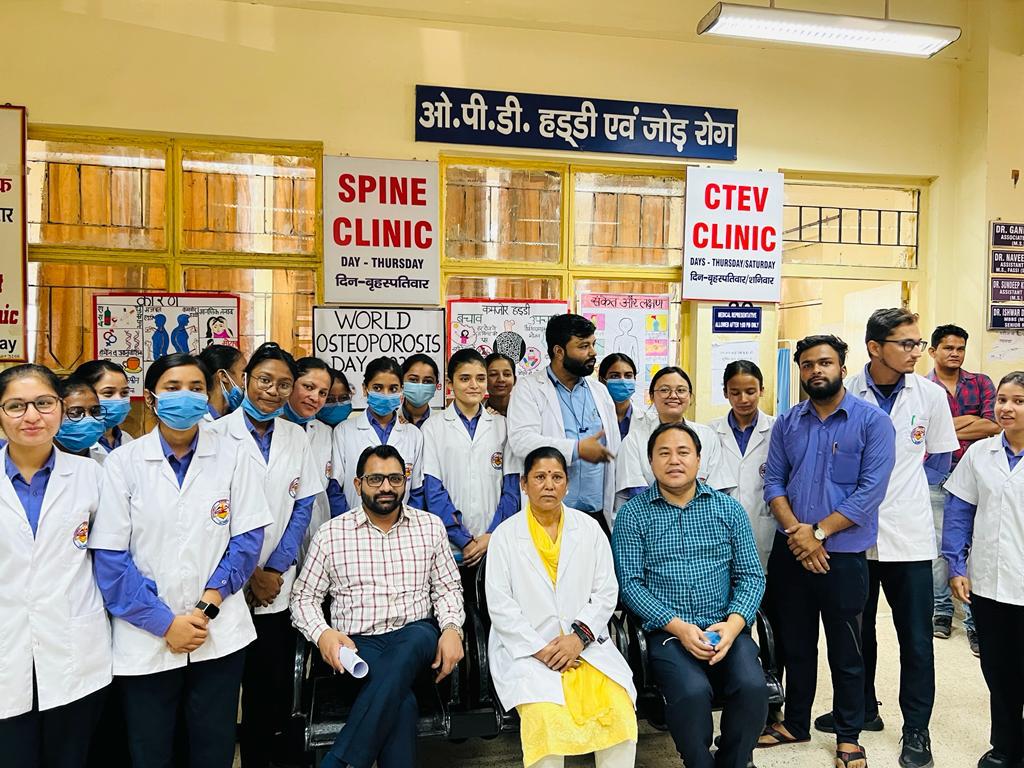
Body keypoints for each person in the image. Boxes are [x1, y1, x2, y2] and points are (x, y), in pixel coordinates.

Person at [89, 352, 271, 768]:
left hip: (218, 630)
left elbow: (247, 540)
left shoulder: (233, 455)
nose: (185, 396)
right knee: (151, 750)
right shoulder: (123, 464)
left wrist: (208, 604)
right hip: (145, 634)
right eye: (173, 388)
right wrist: (165, 623)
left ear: (208, 396)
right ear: (152, 398)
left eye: (195, 388)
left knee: (212, 747)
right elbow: (112, 560)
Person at [812, 309, 957, 768]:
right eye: (906, 344)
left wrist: (900, 493)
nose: (916, 352)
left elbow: (939, 460)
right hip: (854, 534)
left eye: (918, 343)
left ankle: (916, 729)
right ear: (875, 348)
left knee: (916, 638)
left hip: (908, 534)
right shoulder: (845, 391)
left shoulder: (930, 396)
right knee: (857, 631)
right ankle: (861, 710)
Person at [758, 334, 895, 768]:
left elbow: (869, 493)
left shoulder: (872, 422)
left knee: (847, 649)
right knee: (795, 644)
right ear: (799, 371)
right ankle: (795, 722)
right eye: (808, 364)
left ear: (842, 368)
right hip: (792, 550)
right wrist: (798, 534)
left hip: (844, 554)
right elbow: (774, 482)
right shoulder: (787, 422)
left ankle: (848, 735)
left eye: (825, 362)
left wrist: (817, 533)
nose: (816, 370)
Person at [290, 444, 465, 768]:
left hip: (418, 643)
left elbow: (448, 588)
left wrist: (453, 629)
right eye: (376, 479)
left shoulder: (430, 527)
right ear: (358, 485)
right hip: (358, 648)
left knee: (416, 637)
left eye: (395, 479)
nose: (386, 487)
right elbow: (303, 597)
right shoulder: (332, 534)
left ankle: (338, 760)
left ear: (405, 481)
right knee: (400, 703)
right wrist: (323, 634)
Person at [613, 422, 766, 768]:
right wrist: (679, 627)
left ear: (699, 459)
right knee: (692, 692)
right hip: (668, 633)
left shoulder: (728, 510)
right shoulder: (632, 515)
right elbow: (631, 585)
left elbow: (751, 576)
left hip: (725, 627)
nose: (674, 460)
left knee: (752, 687)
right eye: (664, 453)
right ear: (650, 461)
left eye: (683, 452)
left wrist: (733, 625)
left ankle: (733, 761)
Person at [206, 342, 323, 768]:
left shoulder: (296, 436)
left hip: (277, 587)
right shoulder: (214, 435)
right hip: (226, 586)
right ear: (245, 380)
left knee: (270, 694)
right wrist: (249, 572)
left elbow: (302, 507)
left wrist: (274, 569)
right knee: (220, 698)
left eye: (284, 384)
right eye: (264, 380)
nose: (273, 391)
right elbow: (209, 516)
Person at [487, 446, 637, 768]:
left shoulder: (589, 529)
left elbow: (606, 592)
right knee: (546, 719)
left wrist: (577, 639)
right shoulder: (505, 536)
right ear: (524, 484)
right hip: (529, 652)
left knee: (618, 710)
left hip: (585, 647)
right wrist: (542, 650)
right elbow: (500, 606)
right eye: (539, 477)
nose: (549, 485)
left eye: (557, 477)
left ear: (567, 484)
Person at [0, 364, 111, 768]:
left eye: (44, 403)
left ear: (61, 408)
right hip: (6, 649)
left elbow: (111, 559)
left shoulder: (92, 476)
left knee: (70, 757)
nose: (31, 416)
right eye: (16, 406)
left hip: (74, 651)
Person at [942, 371, 1024, 768]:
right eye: (1002, 400)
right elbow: (959, 510)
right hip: (989, 581)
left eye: (1019, 401)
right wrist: (956, 565)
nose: (1007, 408)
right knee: (997, 667)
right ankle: (1006, 746)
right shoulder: (980, 453)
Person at [507, 314, 620, 532]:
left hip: (597, 517)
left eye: (593, 344)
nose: (593, 352)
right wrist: (576, 449)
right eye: (583, 346)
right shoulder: (529, 389)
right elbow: (522, 441)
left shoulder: (600, 392)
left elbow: (615, 450)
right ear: (559, 351)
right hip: (550, 517)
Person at [927, 324, 998, 652]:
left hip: (977, 474)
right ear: (933, 351)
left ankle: (974, 622)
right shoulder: (924, 389)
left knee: (974, 546)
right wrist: (971, 421)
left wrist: (946, 429)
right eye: (948, 348)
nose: (955, 353)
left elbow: (993, 424)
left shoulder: (980, 383)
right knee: (939, 550)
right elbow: (926, 433)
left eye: (960, 348)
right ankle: (942, 611)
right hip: (936, 474)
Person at [421, 348, 520, 565]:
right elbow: (433, 491)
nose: (474, 385)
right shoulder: (432, 428)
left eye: (480, 378)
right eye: (465, 379)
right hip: (450, 544)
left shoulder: (503, 426)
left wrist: (492, 534)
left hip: (494, 541)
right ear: (450, 383)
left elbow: (512, 489)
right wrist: (463, 539)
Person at [615, 366, 723, 515]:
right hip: (650, 522)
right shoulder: (634, 440)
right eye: (664, 390)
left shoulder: (708, 436)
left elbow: (716, 491)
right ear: (652, 396)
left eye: (681, 390)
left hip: (702, 520)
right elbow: (636, 493)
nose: (673, 396)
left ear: (690, 397)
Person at [330, 356, 425, 516]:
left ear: (401, 391)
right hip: (354, 523)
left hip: (401, 525)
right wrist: (349, 523)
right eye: (377, 388)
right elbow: (334, 488)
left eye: (393, 389)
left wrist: (407, 524)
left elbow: (417, 490)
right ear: (365, 388)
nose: (385, 395)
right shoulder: (344, 431)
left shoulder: (414, 434)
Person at [712, 360, 776, 568]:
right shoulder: (709, 432)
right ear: (725, 393)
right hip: (719, 530)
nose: (743, 399)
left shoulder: (777, 429)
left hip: (765, 529)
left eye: (750, 391)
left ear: (761, 390)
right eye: (735, 392)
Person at [285, 357, 345, 562]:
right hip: (278, 538)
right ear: (291, 383)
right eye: (308, 387)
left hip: (319, 535)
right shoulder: (271, 429)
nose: (315, 398)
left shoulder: (324, 432)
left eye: (322, 393)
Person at [75, 360, 134, 456]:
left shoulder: (127, 439)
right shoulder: (73, 441)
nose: (119, 400)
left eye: (124, 393)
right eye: (108, 393)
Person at [53, 376, 107, 460]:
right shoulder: (38, 462)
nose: (89, 419)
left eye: (95, 411)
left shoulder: (105, 459)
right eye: (76, 412)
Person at [198, 343, 246, 420]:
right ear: (224, 376)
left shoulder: (233, 418)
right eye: (243, 375)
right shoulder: (200, 421)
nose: (246, 382)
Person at [598, 352, 640, 440]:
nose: (623, 381)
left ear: (634, 379)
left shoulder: (647, 421)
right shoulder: (593, 419)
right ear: (602, 380)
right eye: (615, 376)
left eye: (628, 376)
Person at [401, 353, 439, 427]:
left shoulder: (442, 423)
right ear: (401, 381)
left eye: (427, 381)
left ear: (436, 385)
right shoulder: (390, 420)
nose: (420, 386)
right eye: (413, 380)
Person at [485, 352, 517, 417]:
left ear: (515, 380)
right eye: (493, 374)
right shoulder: (476, 413)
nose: (501, 379)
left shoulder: (527, 409)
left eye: (507, 374)